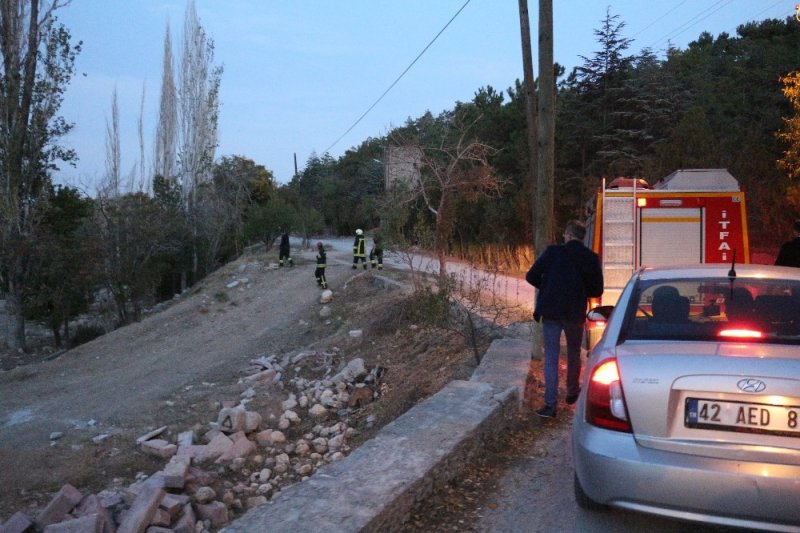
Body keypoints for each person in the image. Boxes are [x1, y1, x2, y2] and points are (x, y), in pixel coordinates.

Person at [525, 220, 603, 419]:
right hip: (574, 313)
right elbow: (597, 290)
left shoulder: (553, 252)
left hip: (551, 311)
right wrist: (580, 289)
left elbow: (531, 276)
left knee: (551, 357)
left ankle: (550, 405)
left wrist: (548, 285)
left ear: (568, 235)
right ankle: (572, 391)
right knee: (574, 353)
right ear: (582, 237)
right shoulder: (591, 258)